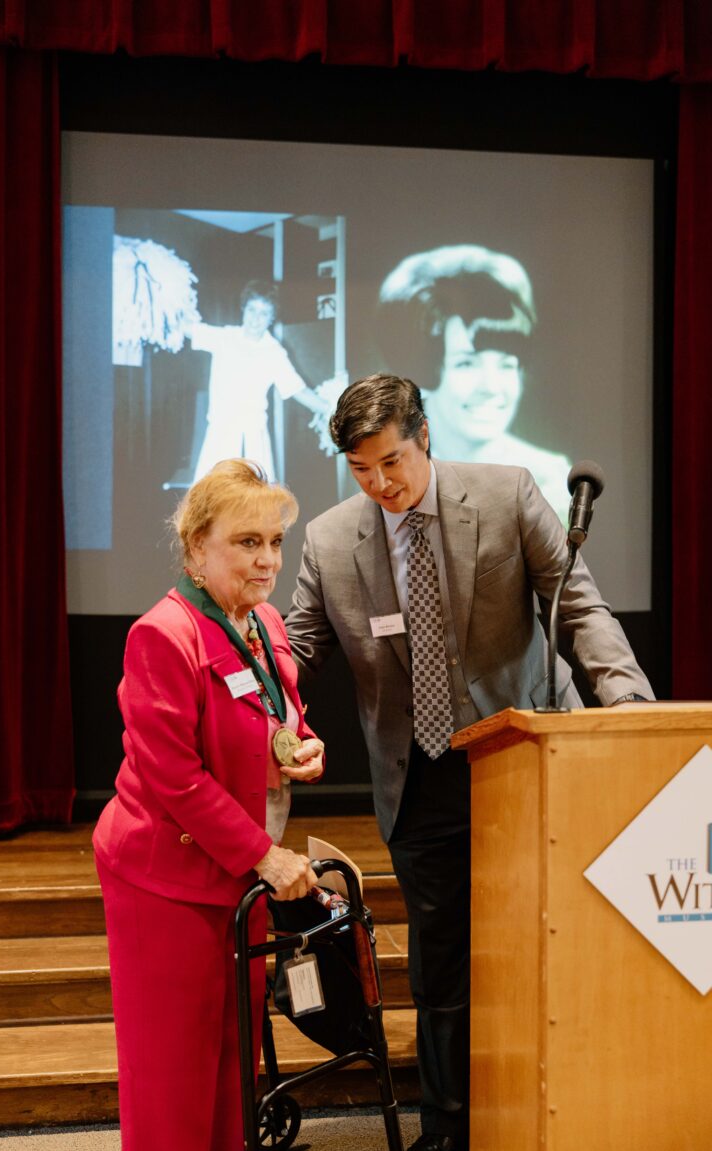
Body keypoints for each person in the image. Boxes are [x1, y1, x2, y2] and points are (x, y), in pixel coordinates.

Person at [285, 373, 653, 1151]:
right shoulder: (330, 540)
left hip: (521, 759)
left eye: (392, 461)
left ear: (424, 435)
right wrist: (269, 718)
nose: (381, 484)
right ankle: (447, 1129)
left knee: (547, 943)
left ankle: (557, 1111)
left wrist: (626, 707)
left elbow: (579, 607)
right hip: (417, 777)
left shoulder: (506, 493)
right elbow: (299, 651)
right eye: (361, 469)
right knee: (442, 963)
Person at [93, 459, 325, 1151]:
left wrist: (304, 745)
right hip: (165, 877)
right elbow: (175, 776)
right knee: (173, 1070)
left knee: (232, 1061)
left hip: (238, 873)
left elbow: (279, 713)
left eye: (275, 541)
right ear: (197, 546)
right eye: (247, 542)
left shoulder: (263, 621)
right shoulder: (162, 634)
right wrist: (265, 856)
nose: (268, 559)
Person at [377, 245, 572, 523]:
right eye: (466, 364)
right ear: (424, 369)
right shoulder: (383, 472)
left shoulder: (549, 481)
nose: (491, 387)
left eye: (507, 365)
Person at [187, 279, 330, 482]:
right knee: (213, 498)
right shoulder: (224, 338)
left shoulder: (274, 352)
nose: (256, 319)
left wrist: (332, 408)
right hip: (219, 439)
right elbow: (185, 328)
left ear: (271, 318)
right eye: (252, 310)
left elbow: (299, 390)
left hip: (255, 442)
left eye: (264, 313)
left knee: (256, 498)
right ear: (243, 309)